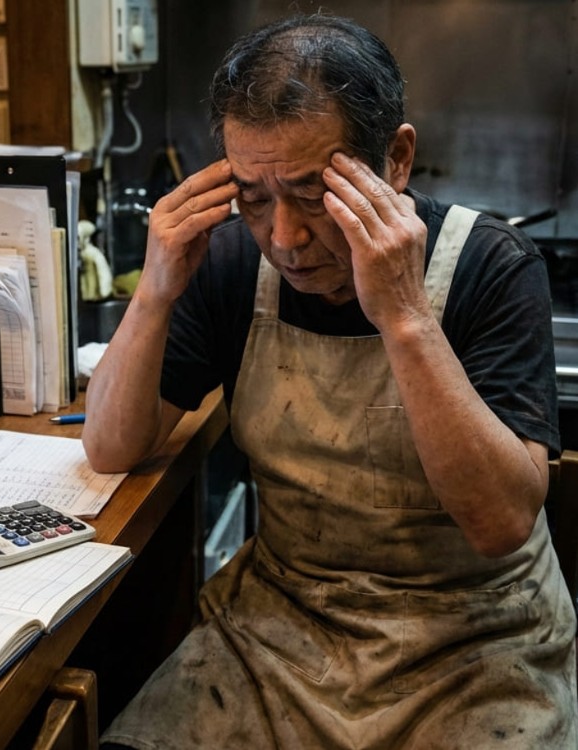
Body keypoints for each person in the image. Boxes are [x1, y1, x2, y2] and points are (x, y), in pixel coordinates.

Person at [83, 13, 578, 749]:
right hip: (281, 632)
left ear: (397, 160)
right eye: (253, 195)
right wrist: (154, 291)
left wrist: (406, 317)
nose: (284, 238)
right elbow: (111, 447)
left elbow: (500, 524)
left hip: (475, 643)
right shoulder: (228, 266)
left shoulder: (491, 267)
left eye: (315, 194)